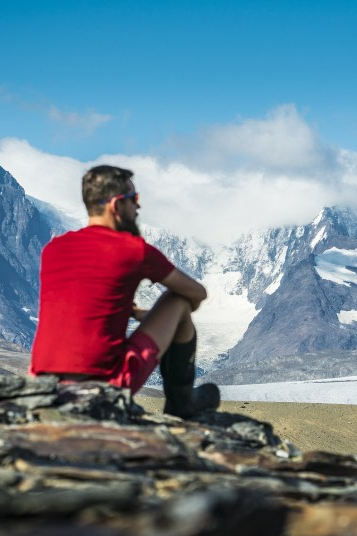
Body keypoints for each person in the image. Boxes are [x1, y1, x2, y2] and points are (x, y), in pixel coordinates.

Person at [29, 164, 219, 418]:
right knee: (179, 300)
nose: (138, 207)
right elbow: (196, 293)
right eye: (134, 199)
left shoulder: (53, 248)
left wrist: (135, 313)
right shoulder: (133, 249)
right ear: (116, 206)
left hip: (43, 382)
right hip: (106, 383)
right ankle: (181, 403)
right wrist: (161, 319)